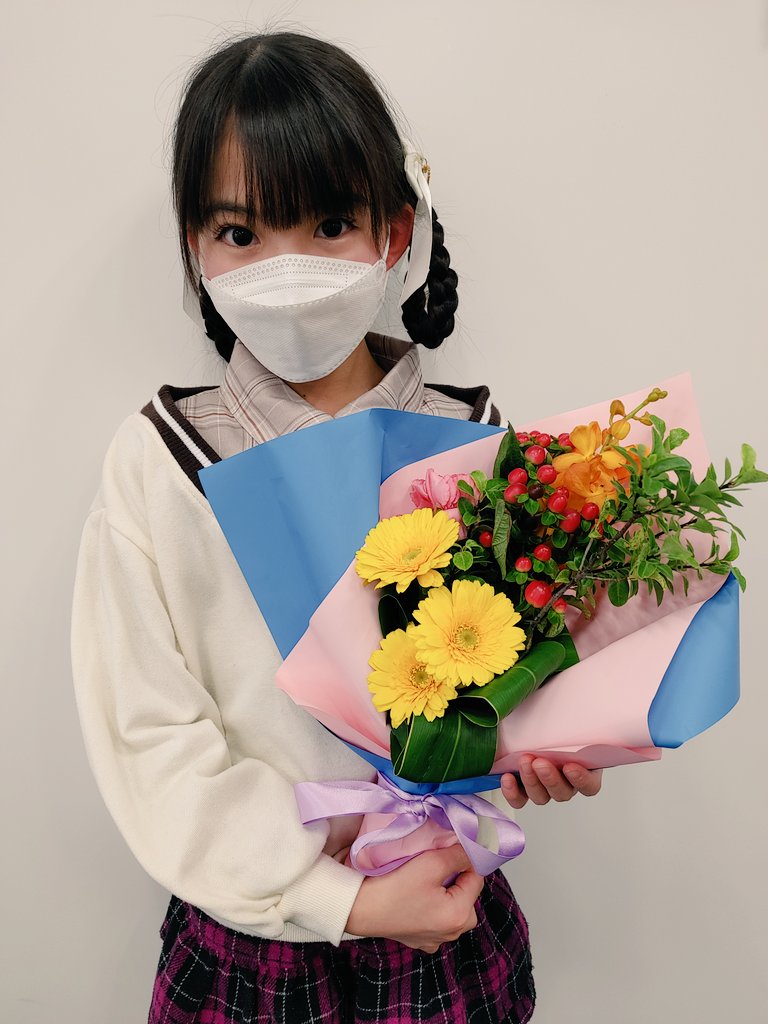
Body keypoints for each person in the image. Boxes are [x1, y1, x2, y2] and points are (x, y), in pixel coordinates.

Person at [71, 31, 601, 1024]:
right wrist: (337, 897)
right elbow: (150, 739)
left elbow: (505, 680)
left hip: (448, 912)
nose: (287, 267)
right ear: (194, 246)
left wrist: (551, 739)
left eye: (327, 223)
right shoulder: (163, 460)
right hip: (255, 944)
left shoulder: (477, 442)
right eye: (241, 232)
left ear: (396, 234)